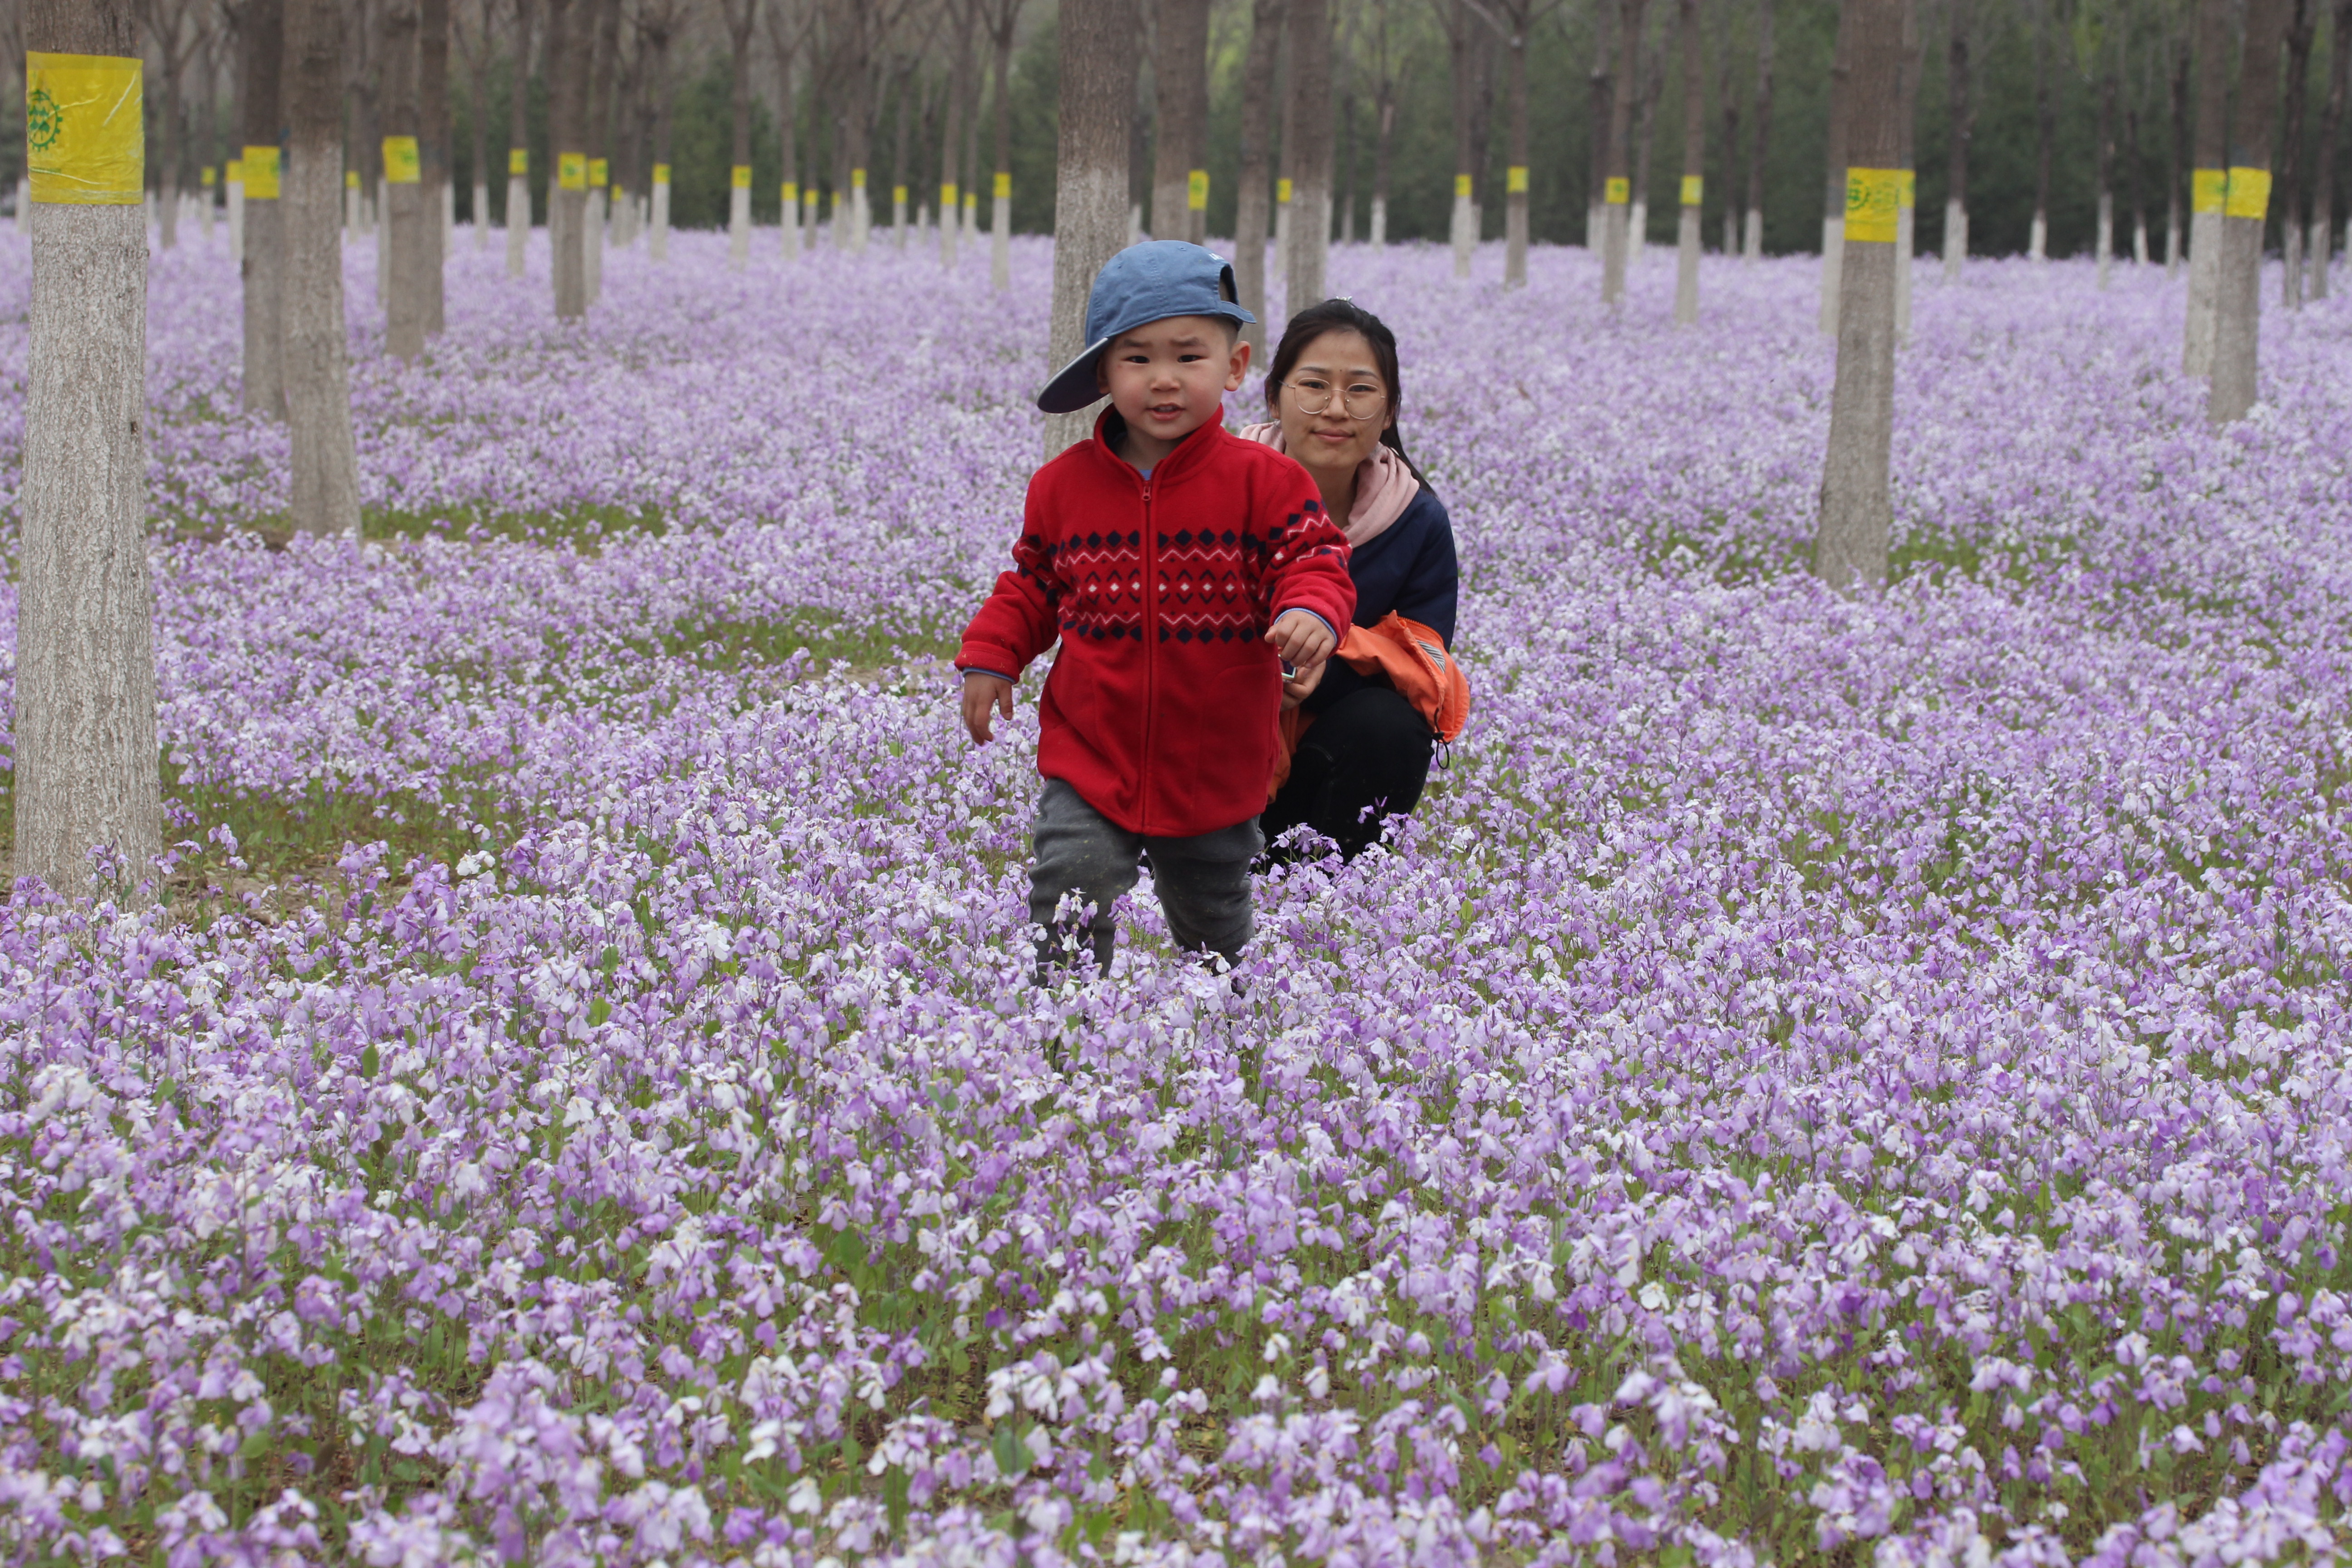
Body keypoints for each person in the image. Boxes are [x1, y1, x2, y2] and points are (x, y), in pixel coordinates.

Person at [957, 242, 1357, 976]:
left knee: (1211, 919)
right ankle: (1065, 1030)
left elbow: (1314, 558)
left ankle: (1234, 1025)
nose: (1163, 380)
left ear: (1234, 369)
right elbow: (1031, 585)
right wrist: (992, 655)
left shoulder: (1265, 482)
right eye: (1137, 359)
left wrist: (1311, 611)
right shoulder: (1061, 487)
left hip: (1214, 757)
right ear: (1102, 374)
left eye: (1188, 356)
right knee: (1070, 880)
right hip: (1091, 749)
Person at [1241, 299, 1461, 861]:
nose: (1336, 409)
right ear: (1274, 397)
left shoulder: (1416, 521)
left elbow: (1420, 665)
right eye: (1313, 385)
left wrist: (1320, 666)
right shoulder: (1215, 491)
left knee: (1390, 725)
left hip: (1329, 759)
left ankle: (1326, 889)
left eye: (1361, 391)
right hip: (1212, 745)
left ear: (1389, 412)